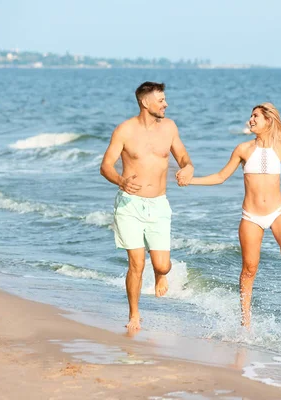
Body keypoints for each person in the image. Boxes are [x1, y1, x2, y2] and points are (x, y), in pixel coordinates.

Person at [182, 103, 281, 332]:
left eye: (255, 117)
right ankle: (246, 321)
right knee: (249, 269)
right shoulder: (243, 149)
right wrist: (191, 181)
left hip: (278, 212)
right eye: (250, 116)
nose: (250, 120)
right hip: (251, 216)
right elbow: (221, 177)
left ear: (268, 121)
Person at [100, 81, 194, 332]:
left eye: (165, 100)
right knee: (136, 263)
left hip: (159, 204)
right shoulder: (124, 131)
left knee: (162, 265)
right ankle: (134, 315)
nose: (166, 104)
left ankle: (160, 274)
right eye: (161, 100)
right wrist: (120, 180)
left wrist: (188, 167)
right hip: (130, 204)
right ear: (145, 102)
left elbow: (183, 156)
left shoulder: (170, 128)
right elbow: (106, 166)